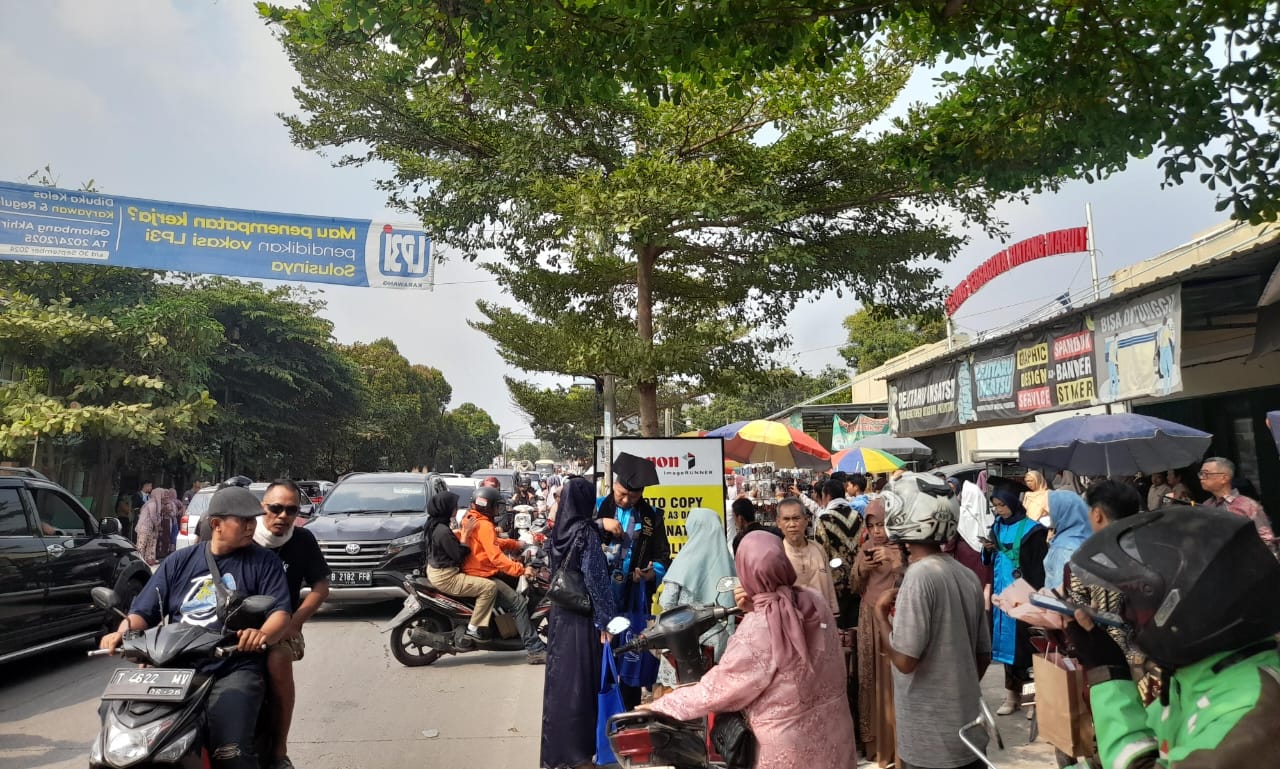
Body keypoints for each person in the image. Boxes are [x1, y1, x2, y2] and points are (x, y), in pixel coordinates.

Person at [1066, 506, 1280, 768]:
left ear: (1185, 608)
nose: (1127, 615)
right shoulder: (1191, 680)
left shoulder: (1251, 710)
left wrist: (1110, 675)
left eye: (1136, 604)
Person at [98, 486, 292, 769]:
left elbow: (280, 613)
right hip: (173, 667)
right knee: (116, 725)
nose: (252, 526)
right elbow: (144, 611)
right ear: (216, 524)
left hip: (232, 666)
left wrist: (260, 634)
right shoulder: (179, 562)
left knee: (231, 751)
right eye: (244, 520)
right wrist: (121, 632)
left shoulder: (264, 562)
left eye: (254, 520)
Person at [644, 531, 858, 769]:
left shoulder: (759, 627)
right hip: (835, 733)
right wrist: (756, 605)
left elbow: (720, 689)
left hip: (788, 748)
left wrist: (662, 705)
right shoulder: (814, 601)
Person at [875, 472, 991, 769]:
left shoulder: (919, 576)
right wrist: (955, 688)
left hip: (929, 741)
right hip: (968, 730)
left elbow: (904, 661)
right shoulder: (966, 575)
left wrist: (879, 616)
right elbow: (983, 655)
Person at [540, 477, 617, 769]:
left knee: (560, 687)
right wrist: (606, 623)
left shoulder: (558, 531)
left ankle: (558, 754)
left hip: (560, 616)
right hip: (582, 620)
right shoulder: (586, 535)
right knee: (581, 687)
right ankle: (580, 755)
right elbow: (597, 583)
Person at [254, 480, 331, 769]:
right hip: (233, 626)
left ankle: (279, 749)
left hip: (282, 627)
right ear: (262, 508)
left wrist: (295, 622)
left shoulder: (302, 541)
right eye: (275, 508)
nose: (282, 516)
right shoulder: (243, 538)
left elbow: (321, 586)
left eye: (290, 510)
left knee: (277, 661)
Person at [595, 466, 671, 708]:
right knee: (599, 660)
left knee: (631, 657)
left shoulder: (652, 517)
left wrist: (652, 574)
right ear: (613, 486)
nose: (626, 501)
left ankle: (628, 715)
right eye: (621, 495)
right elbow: (573, 537)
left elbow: (663, 557)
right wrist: (599, 524)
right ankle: (599, 714)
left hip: (632, 600)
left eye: (634, 497)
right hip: (599, 600)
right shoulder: (596, 508)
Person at [459, 486, 548, 664]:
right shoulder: (484, 525)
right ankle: (535, 649)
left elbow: (492, 542)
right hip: (482, 574)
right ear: (487, 506)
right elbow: (496, 557)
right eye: (495, 506)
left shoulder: (472, 519)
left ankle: (504, 626)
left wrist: (515, 544)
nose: (497, 510)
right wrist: (522, 569)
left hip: (476, 569)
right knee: (518, 603)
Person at [983, 487, 1049, 716]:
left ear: (1013, 502)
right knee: (1007, 649)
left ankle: (1033, 698)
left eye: (1002, 505)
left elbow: (1038, 565)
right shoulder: (997, 528)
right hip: (1002, 597)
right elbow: (989, 561)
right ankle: (1013, 695)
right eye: (995, 506)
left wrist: (1035, 596)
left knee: (1027, 646)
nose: (999, 510)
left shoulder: (1033, 530)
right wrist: (988, 548)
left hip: (1024, 595)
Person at [655, 507, 736, 695]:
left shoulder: (685, 560)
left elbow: (667, 602)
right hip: (719, 640)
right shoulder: (729, 562)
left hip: (685, 641)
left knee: (683, 697)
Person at [850, 498, 905, 768]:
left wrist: (896, 564)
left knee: (894, 680)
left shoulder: (902, 549)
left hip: (895, 619)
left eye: (882, 524)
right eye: (872, 526)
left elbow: (914, 580)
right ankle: (874, 745)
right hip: (869, 619)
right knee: (869, 679)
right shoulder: (866, 549)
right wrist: (862, 568)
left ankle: (897, 745)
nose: (877, 531)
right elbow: (853, 583)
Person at [424, 490, 494, 642]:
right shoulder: (442, 531)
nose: (456, 508)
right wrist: (466, 534)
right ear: (446, 508)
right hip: (447, 577)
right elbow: (458, 554)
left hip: (436, 571)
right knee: (489, 588)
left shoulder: (434, 525)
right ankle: (473, 629)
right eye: (453, 506)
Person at [776, 497, 840, 619]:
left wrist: (834, 617)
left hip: (822, 619)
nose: (792, 524)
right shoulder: (778, 554)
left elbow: (829, 587)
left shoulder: (818, 549)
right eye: (786, 519)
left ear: (806, 520)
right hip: (794, 622)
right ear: (779, 523)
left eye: (796, 518)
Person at [810, 479, 863, 626]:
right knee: (855, 627)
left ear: (826, 496)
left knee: (838, 630)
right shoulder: (858, 517)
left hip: (836, 585)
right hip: (858, 581)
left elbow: (821, 554)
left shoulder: (824, 519)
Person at [1198, 456, 1276, 549]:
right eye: (1201, 474)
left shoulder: (1247, 505)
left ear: (1224, 478)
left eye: (1206, 474)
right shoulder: (1206, 505)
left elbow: (1266, 540)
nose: (1202, 478)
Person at [1041, 489, 1091, 591]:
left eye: (1050, 509)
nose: (1047, 513)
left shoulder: (1064, 547)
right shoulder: (1085, 535)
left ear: (1063, 512)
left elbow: (1062, 589)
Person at [135, 487, 177, 564]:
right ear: (158, 495)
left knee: (151, 544)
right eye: (162, 494)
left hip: (152, 528)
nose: (164, 496)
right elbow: (153, 517)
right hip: (144, 528)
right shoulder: (152, 504)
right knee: (142, 545)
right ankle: (139, 560)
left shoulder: (158, 504)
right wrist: (158, 524)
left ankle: (149, 560)